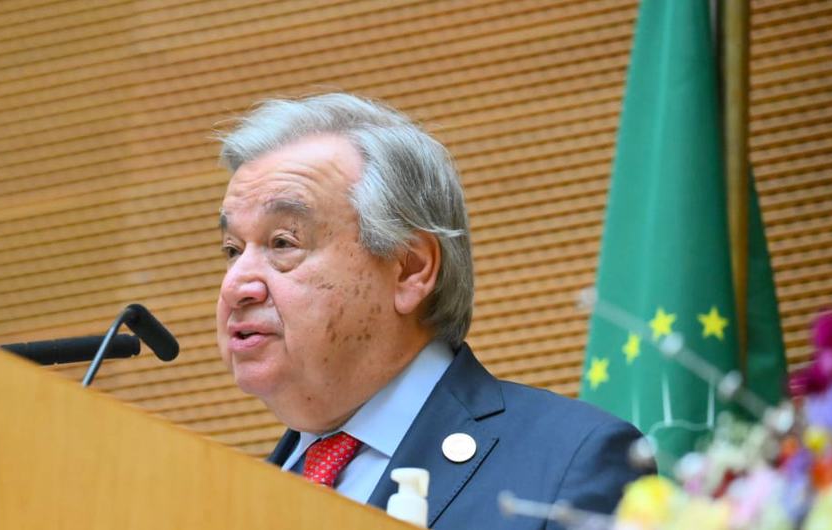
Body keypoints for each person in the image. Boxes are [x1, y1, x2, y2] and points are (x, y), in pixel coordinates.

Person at [215, 93, 649, 529]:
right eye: (232, 250)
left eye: (283, 244)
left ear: (410, 269)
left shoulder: (570, 463)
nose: (235, 286)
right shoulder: (227, 503)